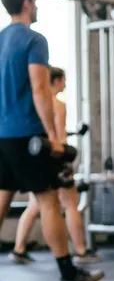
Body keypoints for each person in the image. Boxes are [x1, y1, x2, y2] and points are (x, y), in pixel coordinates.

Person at [0, 0, 104, 281]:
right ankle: (68, 276)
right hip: (27, 134)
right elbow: (40, 89)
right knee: (48, 202)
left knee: (2, 200)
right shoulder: (34, 39)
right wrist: (51, 136)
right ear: (29, 2)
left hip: (1, 135)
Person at [10, 67, 101, 265]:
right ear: (56, 80)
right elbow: (57, 137)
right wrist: (64, 156)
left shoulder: (33, 105)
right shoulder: (57, 105)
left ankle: (18, 248)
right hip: (55, 158)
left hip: (36, 158)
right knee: (70, 204)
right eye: (64, 80)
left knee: (36, 205)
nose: (66, 84)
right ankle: (80, 249)